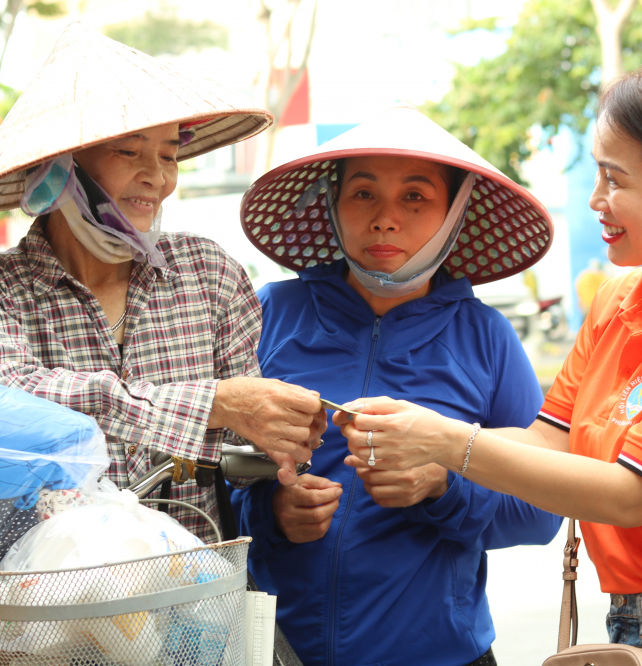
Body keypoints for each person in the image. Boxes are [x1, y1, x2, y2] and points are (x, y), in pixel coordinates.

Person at [336, 62, 642, 665]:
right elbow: (551, 440)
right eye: (597, 175)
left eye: (614, 179)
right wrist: (422, 443)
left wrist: (444, 442)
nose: (597, 200)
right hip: (635, 626)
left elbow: (634, 497)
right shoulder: (621, 299)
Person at [0, 23, 325, 539]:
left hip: (197, 598)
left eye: (168, 155)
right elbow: (9, 398)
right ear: (56, 168)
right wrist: (213, 403)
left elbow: (239, 452)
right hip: (47, 600)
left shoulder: (209, 273)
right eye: (128, 151)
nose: (157, 178)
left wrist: (281, 479)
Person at [231, 107, 563, 666]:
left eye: (415, 197)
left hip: (442, 655)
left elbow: (541, 511)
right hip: (276, 650)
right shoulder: (270, 315)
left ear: (455, 214)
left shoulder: (485, 337)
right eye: (363, 194)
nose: (386, 219)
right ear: (333, 206)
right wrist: (271, 514)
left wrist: (443, 484)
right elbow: (211, 476)